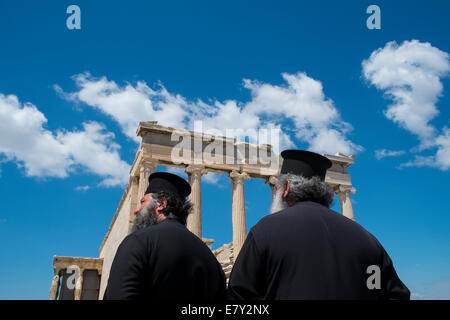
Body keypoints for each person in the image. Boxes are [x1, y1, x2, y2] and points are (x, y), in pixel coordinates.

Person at [227, 149, 410, 300]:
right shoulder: (367, 239)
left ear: (287, 188)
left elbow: (240, 297)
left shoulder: (265, 231)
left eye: (277, 187)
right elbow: (395, 295)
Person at [103, 171, 226, 300]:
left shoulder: (138, 241)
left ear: (161, 204)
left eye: (143, 202)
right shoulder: (211, 260)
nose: (136, 210)